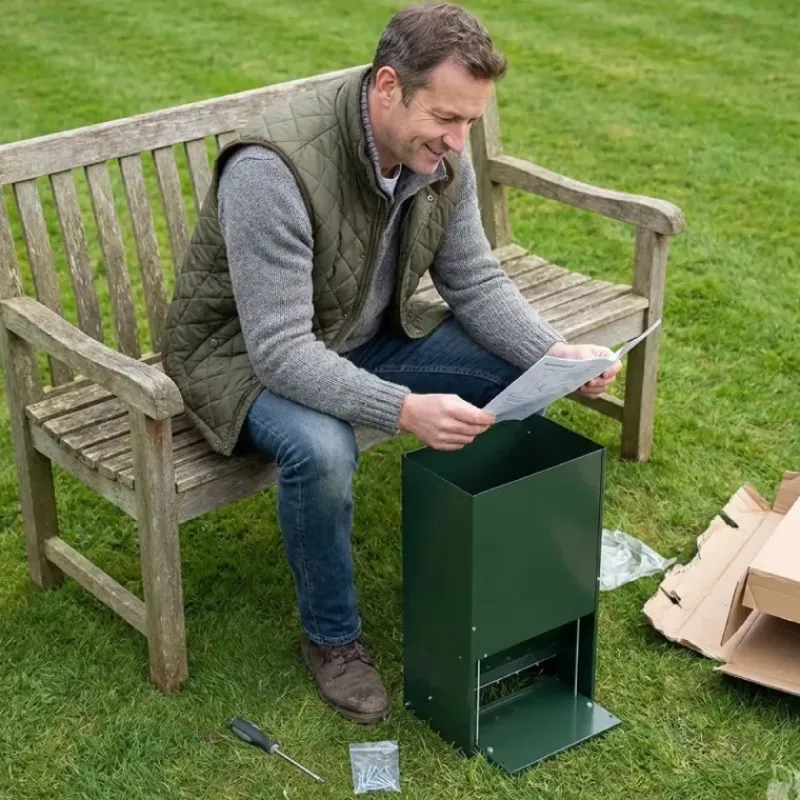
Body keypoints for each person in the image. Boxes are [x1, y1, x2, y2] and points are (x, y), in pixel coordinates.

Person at [163, 2, 621, 724]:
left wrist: (553, 353)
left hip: (361, 331)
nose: (458, 141)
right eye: (446, 117)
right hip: (241, 357)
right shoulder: (270, 170)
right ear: (386, 87)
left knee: (519, 377)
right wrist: (403, 409)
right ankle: (332, 640)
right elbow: (281, 351)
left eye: (470, 121)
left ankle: (485, 570)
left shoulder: (438, 154)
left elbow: (473, 278)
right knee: (322, 450)